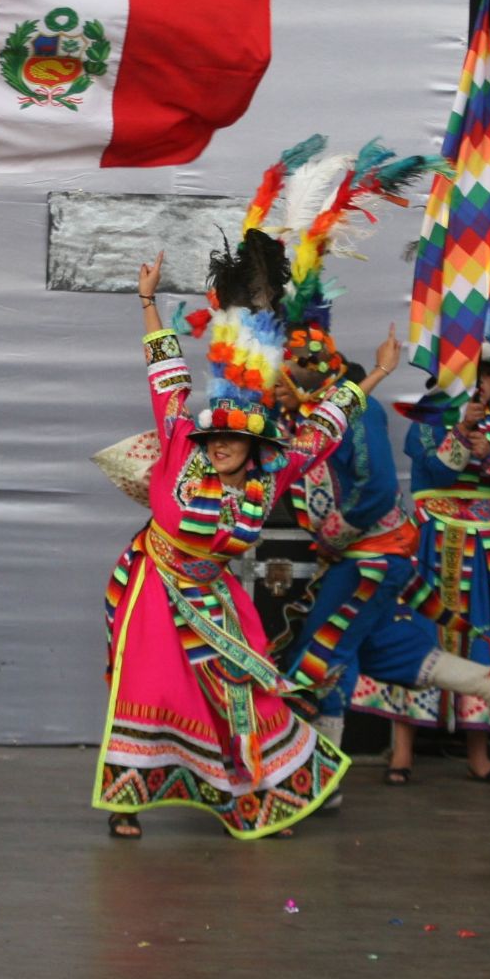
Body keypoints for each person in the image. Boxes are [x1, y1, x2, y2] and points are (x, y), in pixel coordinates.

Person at [95, 139, 405, 841]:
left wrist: (376, 375)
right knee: (144, 686)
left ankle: (257, 791)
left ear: (257, 445)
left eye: (236, 439)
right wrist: (148, 304)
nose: (224, 445)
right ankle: (127, 801)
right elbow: (168, 377)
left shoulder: (273, 471)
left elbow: (325, 423)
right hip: (155, 582)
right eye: (217, 438)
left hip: (212, 591)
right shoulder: (182, 442)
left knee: (241, 689)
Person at [254, 140, 490, 788]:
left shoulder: (351, 411)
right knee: (378, 647)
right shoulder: (312, 415)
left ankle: (317, 783)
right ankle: (483, 676)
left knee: (325, 651)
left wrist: (340, 529)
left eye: (286, 372)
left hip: (373, 551)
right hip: (364, 553)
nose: (277, 383)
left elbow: (372, 481)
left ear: (310, 368)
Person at [355, 349, 490, 784]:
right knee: (419, 634)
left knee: (484, 639)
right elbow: (435, 470)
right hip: (434, 542)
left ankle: (479, 754)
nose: (479, 384)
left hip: (487, 545)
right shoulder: (428, 419)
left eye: (486, 377)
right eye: (470, 376)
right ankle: (401, 754)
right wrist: (461, 431)